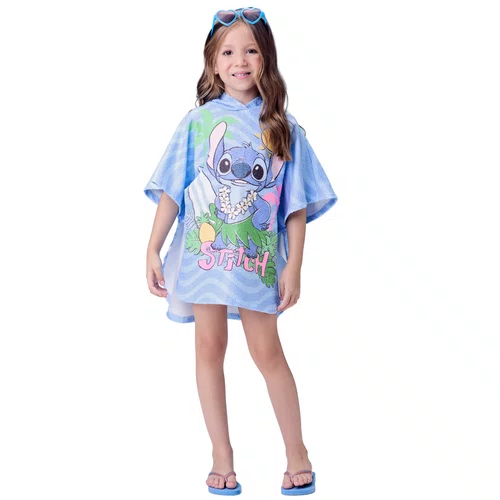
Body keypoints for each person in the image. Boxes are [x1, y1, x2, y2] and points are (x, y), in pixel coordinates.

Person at [144, 7, 338, 496]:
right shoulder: (198, 124)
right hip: (203, 261)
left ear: (266, 58)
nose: (240, 61)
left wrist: (294, 266)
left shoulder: (281, 127)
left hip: (256, 263)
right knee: (208, 349)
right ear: (213, 63)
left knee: (267, 351)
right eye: (228, 52)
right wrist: (152, 247)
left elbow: (295, 207)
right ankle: (221, 455)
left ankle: (298, 453)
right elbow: (172, 191)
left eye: (251, 50)